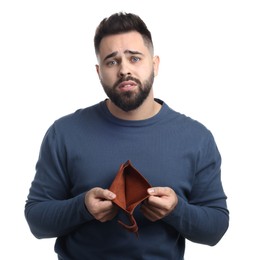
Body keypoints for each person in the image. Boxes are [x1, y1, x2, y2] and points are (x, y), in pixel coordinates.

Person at [25, 12, 229, 260]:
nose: (124, 70)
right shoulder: (64, 133)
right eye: (112, 62)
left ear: (154, 64)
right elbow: (36, 221)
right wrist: (82, 208)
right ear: (99, 72)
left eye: (134, 58)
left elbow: (216, 229)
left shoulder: (197, 138)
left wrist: (176, 210)